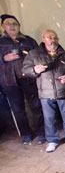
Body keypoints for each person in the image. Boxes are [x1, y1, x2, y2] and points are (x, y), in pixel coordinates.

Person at [22, 29, 65, 152]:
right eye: (49, 37)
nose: (53, 40)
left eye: (55, 38)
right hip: (46, 93)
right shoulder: (33, 54)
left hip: (64, 91)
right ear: (43, 39)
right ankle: (52, 141)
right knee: (49, 119)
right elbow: (25, 70)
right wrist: (35, 70)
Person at [0, 14, 45, 144]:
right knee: (18, 110)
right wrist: (3, 58)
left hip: (29, 79)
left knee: (36, 106)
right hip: (9, 81)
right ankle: (26, 134)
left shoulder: (28, 41)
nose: (12, 26)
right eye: (8, 23)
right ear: (3, 26)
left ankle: (41, 132)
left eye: (15, 23)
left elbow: (40, 56)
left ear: (19, 26)